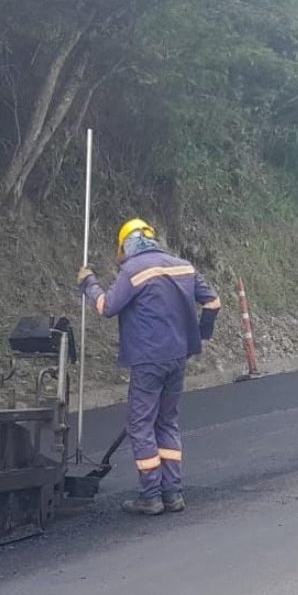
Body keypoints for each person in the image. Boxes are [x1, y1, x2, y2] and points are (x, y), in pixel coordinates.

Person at [77, 218, 222, 516]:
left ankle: (151, 495)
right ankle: (173, 493)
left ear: (126, 244)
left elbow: (106, 307)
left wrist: (88, 284)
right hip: (178, 356)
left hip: (148, 358)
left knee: (140, 425)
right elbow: (213, 302)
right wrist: (202, 334)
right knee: (166, 422)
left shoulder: (133, 270)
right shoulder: (183, 266)